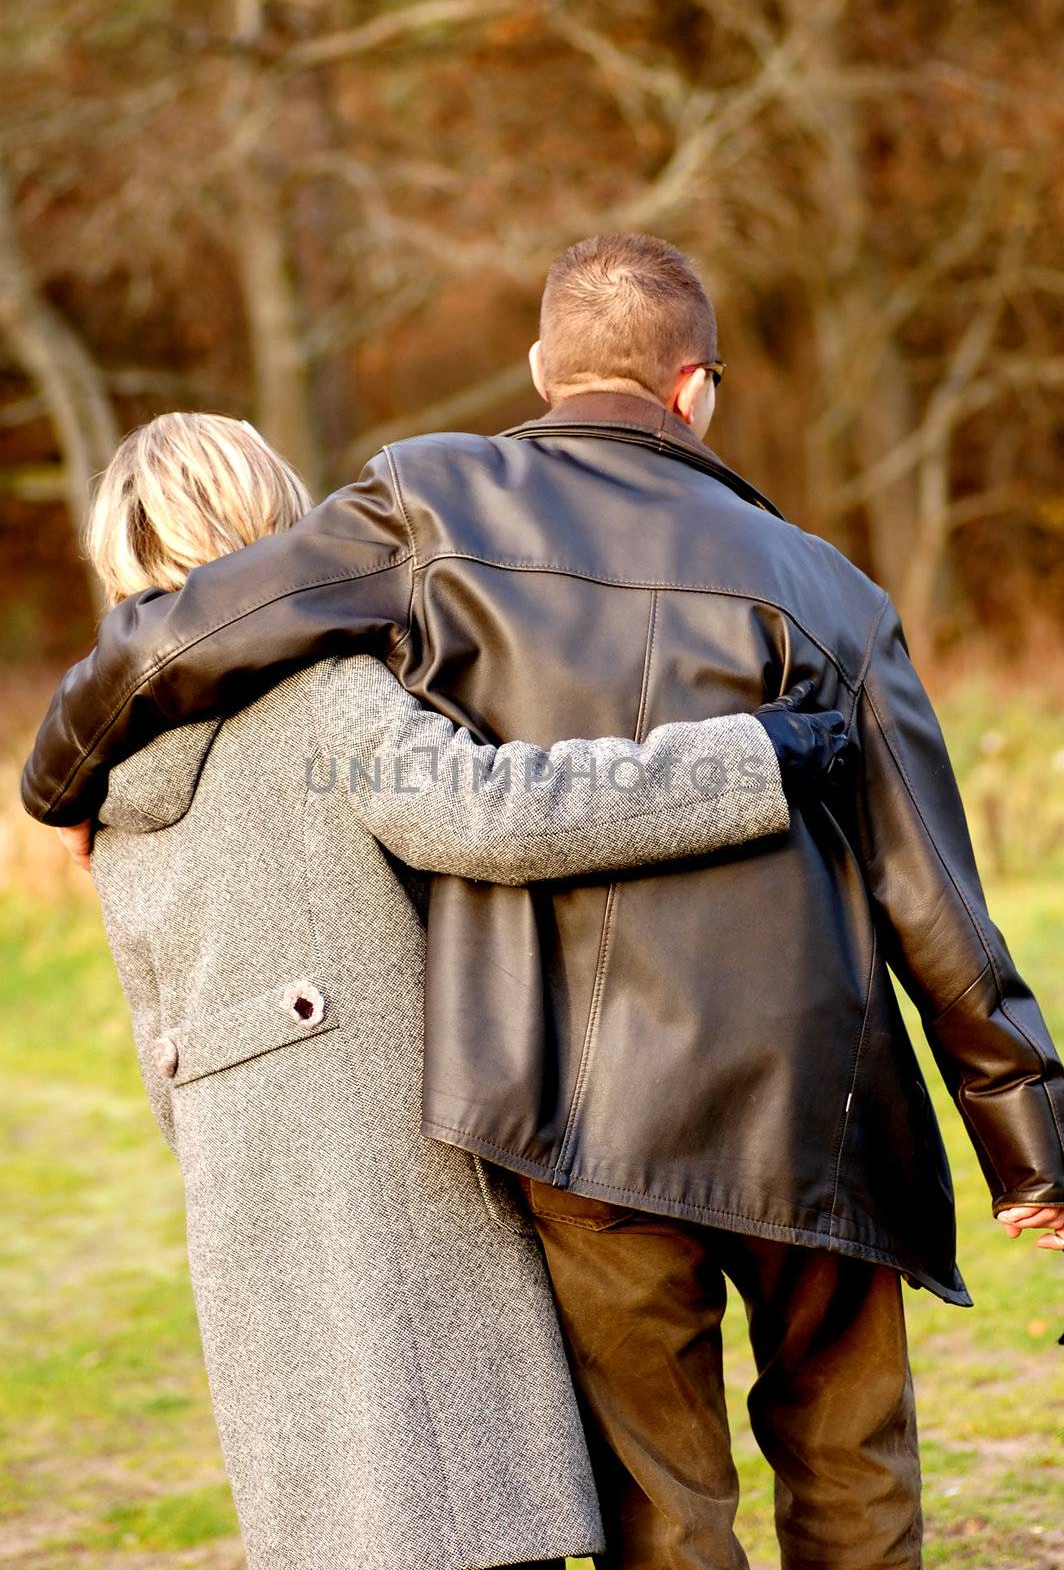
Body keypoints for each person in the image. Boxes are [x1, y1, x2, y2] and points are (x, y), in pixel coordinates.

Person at [23, 237, 1064, 1570]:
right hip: (816, 1102)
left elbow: (178, 636)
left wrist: (59, 780)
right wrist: (1023, 1128)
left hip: (584, 1105)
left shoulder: (429, 507)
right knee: (852, 1466)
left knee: (661, 1501)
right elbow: (934, 888)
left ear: (539, 368)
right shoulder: (833, 592)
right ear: (698, 390)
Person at [64, 411, 848, 1570]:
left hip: (242, 1197)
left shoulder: (106, 782)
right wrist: (746, 756)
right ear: (265, 515)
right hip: (396, 1181)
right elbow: (495, 810)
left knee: (352, 1527)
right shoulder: (320, 693)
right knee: (468, 1516)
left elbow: (154, 1037)